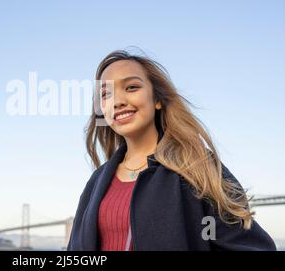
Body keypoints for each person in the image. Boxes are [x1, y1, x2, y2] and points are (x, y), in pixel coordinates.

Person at [67, 49, 276, 251]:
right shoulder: (96, 182)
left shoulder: (196, 165)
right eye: (105, 94)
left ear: (157, 99)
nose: (118, 102)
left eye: (131, 87)